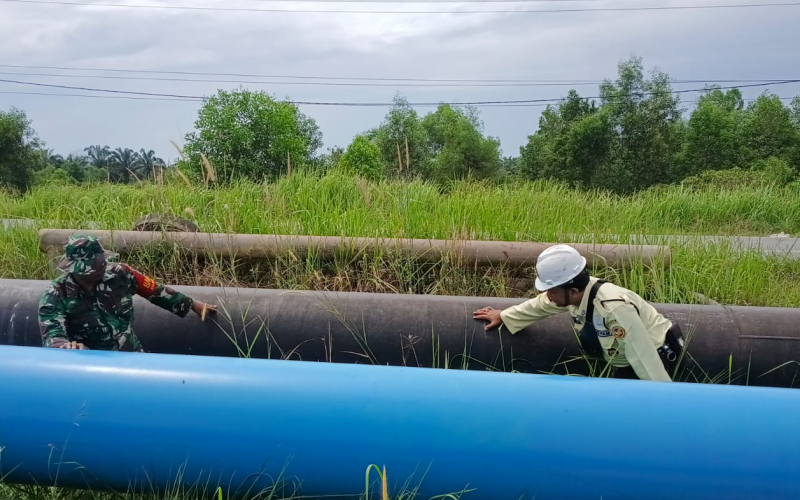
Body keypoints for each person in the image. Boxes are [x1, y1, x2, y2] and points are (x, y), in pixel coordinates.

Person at [473, 244, 684, 381]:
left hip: (656, 357)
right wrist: (504, 316)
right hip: (624, 360)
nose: (548, 296)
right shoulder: (573, 295)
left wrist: (662, 401)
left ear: (573, 290)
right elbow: (540, 305)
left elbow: (642, 357)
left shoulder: (614, 308)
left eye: (551, 291)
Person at [38, 234, 217, 352]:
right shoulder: (56, 295)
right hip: (91, 366)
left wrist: (192, 304)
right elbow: (52, 337)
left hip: (131, 355)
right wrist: (67, 347)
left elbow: (156, 290)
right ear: (76, 269)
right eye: (95, 266)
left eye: (102, 262)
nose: (102, 267)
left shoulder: (120, 274)